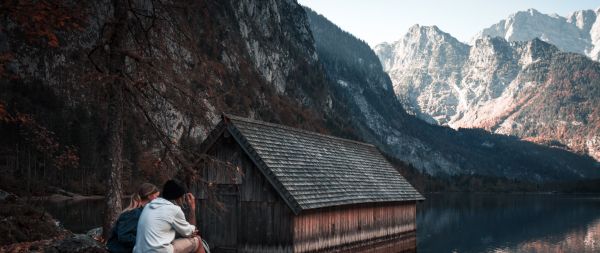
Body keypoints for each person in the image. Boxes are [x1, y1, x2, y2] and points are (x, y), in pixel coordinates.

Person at [134, 179, 205, 253]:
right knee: (197, 240)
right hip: (159, 251)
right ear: (179, 197)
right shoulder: (174, 209)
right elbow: (190, 233)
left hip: (139, 250)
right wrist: (192, 208)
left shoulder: (148, 206)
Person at [107, 183, 160, 253]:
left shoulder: (144, 212)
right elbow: (124, 236)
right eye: (157, 196)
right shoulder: (133, 213)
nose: (158, 199)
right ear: (150, 196)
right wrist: (146, 243)